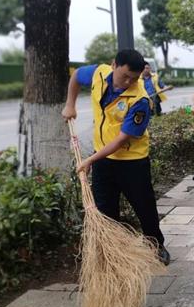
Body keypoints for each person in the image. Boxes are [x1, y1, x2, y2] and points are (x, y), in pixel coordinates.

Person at [61, 49, 170, 265]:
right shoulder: (98, 73)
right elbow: (75, 76)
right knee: (105, 208)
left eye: (134, 78)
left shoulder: (140, 100)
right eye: (125, 76)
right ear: (113, 65)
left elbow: (121, 140)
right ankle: (114, 250)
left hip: (132, 162)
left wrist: (90, 160)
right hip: (103, 158)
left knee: (144, 206)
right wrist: (70, 104)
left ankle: (156, 244)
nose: (128, 82)